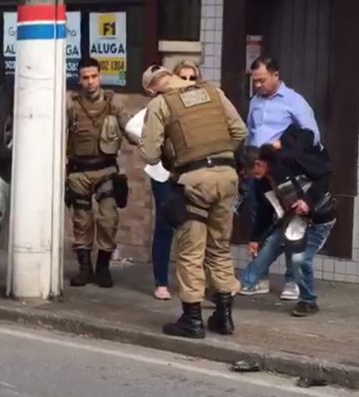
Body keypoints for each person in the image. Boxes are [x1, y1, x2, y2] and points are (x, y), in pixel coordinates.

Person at [138, 64, 248, 338]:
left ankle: (193, 320)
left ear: (152, 89)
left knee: (191, 251)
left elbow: (150, 154)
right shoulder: (214, 92)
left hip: (195, 181)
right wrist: (218, 156)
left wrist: (182, 157)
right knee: (220, 247)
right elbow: (240, 132)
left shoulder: (161, 103)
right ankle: (223, 318)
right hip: (227, 176)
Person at [240, 55, 321, 300]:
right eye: (254, 81)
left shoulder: (294, 102)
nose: (257, 86)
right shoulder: (255, 101)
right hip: (258, 172)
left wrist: (282, 147)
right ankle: (260, 277)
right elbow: (251, 132)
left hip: (284, 172)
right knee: (261, 219)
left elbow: (312, 137)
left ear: (276, 75)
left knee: (291, 224)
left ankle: (292, 281)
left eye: (262, 80)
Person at [238, 125, 336, 316]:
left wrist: (308, 201)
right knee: (267, 249)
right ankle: (236, 287)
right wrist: (255, 238)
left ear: (259, 164)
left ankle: (308, 301)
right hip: (293, 219)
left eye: (251, 173)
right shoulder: (261, 183)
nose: (251, 178)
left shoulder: (288, 160)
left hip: (319, 218)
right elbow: (264, 212)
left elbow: (325, 174)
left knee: (301, 259)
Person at [65, 57, 137, 288]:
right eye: (85, 78)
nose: (90, 82)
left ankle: (103, 268)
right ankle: (85, 269)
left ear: (100, 76)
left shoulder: (112, 102)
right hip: (78, 172)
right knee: (82, 222)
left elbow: (128, 128)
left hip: (106, 169)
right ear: (79, 80)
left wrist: (145, 141)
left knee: (108, 220)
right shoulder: (71, 105)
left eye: (94, 76)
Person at [148, 60, 204, 301]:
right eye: (183, 77)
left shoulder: (201, 105)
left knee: (194, 227)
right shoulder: (160, 104)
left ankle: (192, 283)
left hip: (192, 173)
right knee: (166, 225)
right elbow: (137, 131)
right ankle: (161, 281)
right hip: (164, 174)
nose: (188, 83)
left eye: (192, 78)